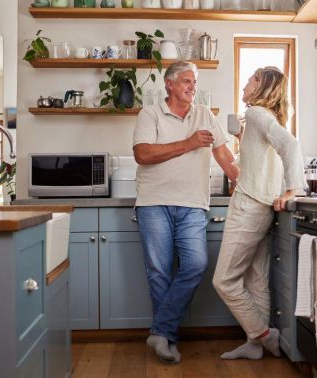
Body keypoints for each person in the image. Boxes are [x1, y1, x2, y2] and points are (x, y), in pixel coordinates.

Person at [133, 61, 239, 364]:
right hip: (153, 202)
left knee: (196, 264)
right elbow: (143, 154)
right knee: (159, 272)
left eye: (194, 82)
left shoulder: (205, 115)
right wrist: (189, 142)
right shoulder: (150, 114)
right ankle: (167, 339)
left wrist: (242, 181)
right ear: (169, 84)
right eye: (186, 82)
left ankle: (160, 331)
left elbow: (224, 155)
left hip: (193, 204)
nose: (192, 87)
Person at [212, 66, 305, 360]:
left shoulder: (255, 113)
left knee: (224, 280)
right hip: (261, 206)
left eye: (252, 79)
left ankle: (264, 335)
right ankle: (254, 346)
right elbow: (261, 160)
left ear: (261, 87)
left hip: (250, 205)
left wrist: (293, 189)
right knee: (256, 279)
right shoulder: (262, 119)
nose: (245, 84)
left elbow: (290, 144)